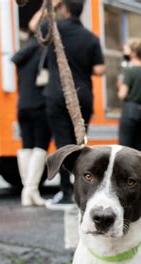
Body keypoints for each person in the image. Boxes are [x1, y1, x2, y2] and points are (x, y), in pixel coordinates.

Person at [30, 0, 105, 210]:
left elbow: (34, 26)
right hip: (83, 96)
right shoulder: (91, 38)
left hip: (58, 94)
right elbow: (100, 69)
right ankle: (85, 193)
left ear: (63, 8)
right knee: (80, 144)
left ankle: (66, 193)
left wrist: (50, 6)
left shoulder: (55, 29)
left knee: (64, 144)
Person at [12, 31, 52, 207]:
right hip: (39, 105)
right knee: (40, 147)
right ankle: (31, 190)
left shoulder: (23, 52)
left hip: (22, 106)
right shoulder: (44, 51)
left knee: (26, 147)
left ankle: (26, 192)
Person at [117, 39, 141, 150]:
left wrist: (120, 85)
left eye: (126, 50)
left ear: (133, 53)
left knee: (124, 147)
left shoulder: (129, 71)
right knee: (139, 147)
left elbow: (122, 94)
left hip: (130, 109)